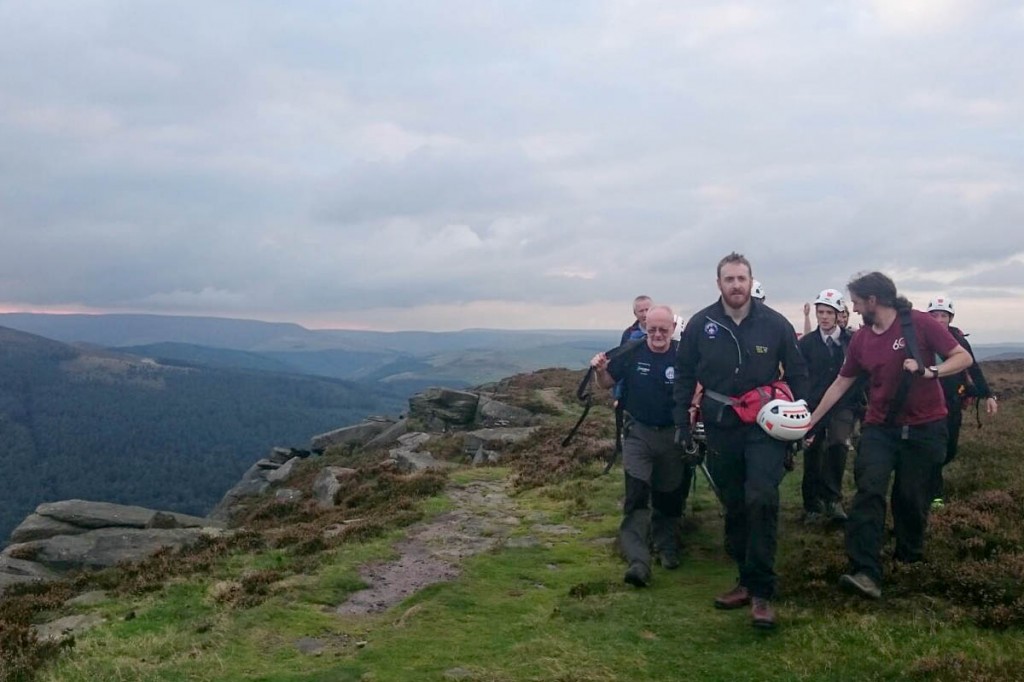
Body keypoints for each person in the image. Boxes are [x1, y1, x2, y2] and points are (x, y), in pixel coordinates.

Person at [807, 272, 972, 600]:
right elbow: (841, 382)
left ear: (873, 300)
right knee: (868, 491)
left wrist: (931, 372)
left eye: (856, 302)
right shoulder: (861, 339)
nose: (853, 309)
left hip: (927, 427)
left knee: (911, 498)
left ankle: (908, 560)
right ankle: (865, 571)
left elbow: (962, 357)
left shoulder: (920, 323)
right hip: (880, 428)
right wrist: (811, 421)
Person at [673, 253, 808, 629]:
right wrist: (681, 421)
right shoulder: (701, 324)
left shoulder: (775, 324)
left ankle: (762, 592)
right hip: (721, 426)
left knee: (761, 498)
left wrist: (801, 415)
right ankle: (746, 580)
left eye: (741, 278)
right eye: (729, 279)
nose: (736, 285)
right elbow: (684, 374)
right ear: (718, 283)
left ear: (751, 281)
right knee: (733, 503)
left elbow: (799, 372)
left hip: (766, 427)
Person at [593, 305, 693, 588]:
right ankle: (638, 561)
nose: (658, 335)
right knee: (636, 495)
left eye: (663, 330)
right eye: (652, 329)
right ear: (645, 327)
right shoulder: (632, 351)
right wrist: (600, 370)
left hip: (673, 436)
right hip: (638, 433)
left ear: (673, 329)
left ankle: (666, 546)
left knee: (669, 495)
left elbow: (701, 384)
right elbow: (606, 383)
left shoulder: (684, 355)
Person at [925, 296, 999, 508]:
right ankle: (934, 493)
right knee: (936, 448)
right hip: (927, 404)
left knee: (950, 450)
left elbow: (973, 368)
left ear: (950, 318)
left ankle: (926, 474)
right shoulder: (921, 339)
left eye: (943, 315)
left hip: (953, 402)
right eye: (935, 315)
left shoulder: (959, 341)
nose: (939, 319)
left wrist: (988, 395)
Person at [798, 289, 860, 524]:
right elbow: (800, 375)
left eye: (828, 312)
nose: (823, 317)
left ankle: (832, 499)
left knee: (838, 444)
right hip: (813, 405)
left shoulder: (852, 341)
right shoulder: (807, 344)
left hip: (843, 404)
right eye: (820, 312)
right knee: (812, 452)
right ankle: (812, 504)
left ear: (838, 314)